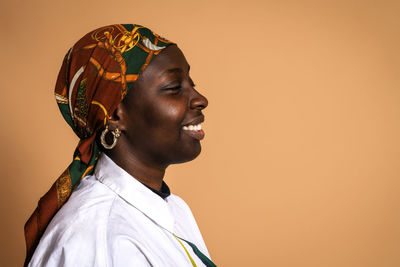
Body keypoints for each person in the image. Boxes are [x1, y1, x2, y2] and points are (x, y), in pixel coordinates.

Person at [24, 24, 216, 267]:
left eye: (192, 83)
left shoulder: (174, 208)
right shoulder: (100, 238)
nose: (201, 99)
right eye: (174, 88)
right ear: (115, 114)